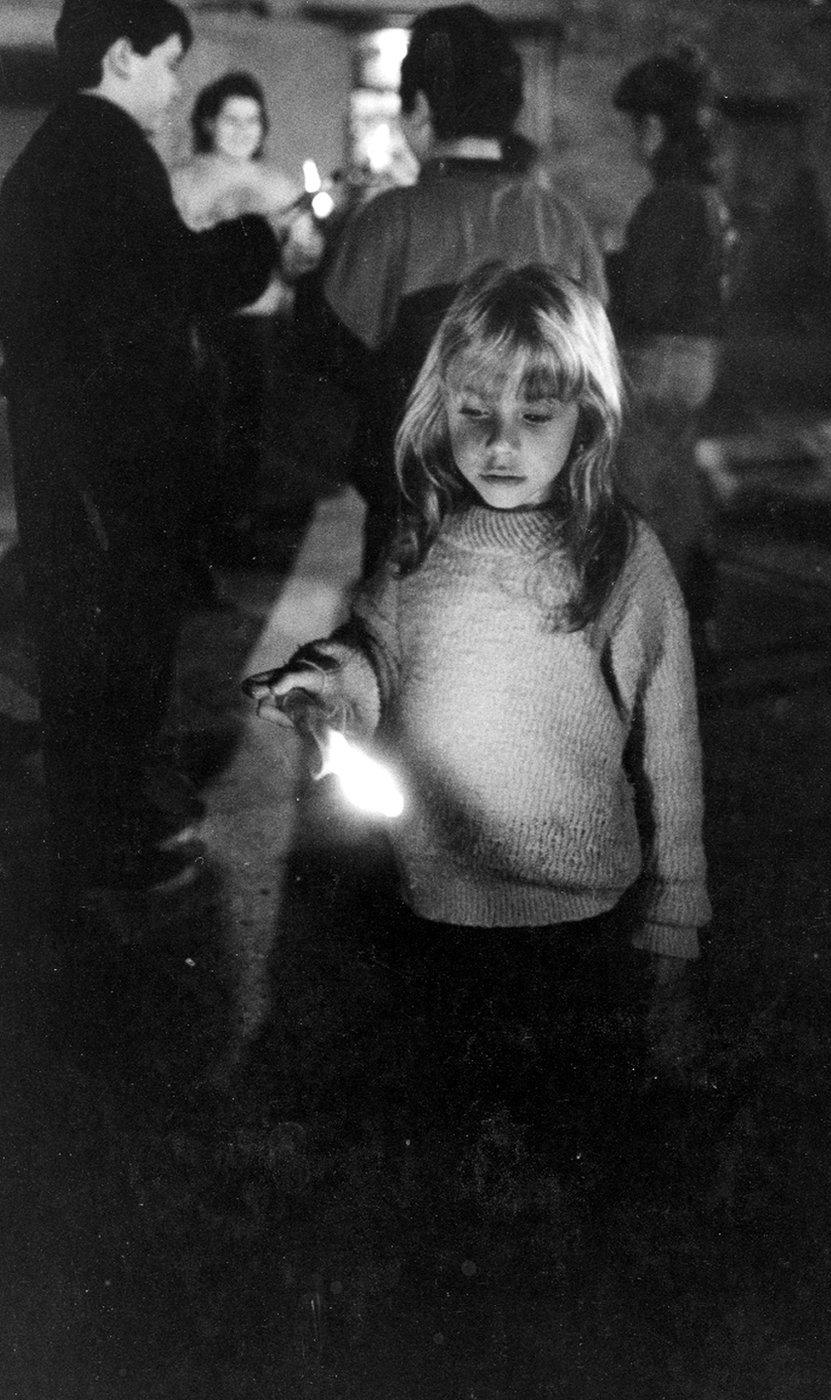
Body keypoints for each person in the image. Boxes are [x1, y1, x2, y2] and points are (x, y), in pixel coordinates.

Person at [245, 265, 711, 1082]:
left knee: (568, 1116)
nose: (501, 444)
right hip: (434, 901)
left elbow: (671, 745)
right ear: (440, 409)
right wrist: (330, 681)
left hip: (580, 916)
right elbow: (379, 657)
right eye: (474, 412)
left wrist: (677, 905)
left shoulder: (621, 559)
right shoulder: (420, 541)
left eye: (535, 415)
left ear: (588, 418)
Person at [0, 0, 279, 910]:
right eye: (167, 64)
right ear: (121, 56)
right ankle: (109, 854)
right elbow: (174, 280)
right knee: (109, 657)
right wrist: (257, 242)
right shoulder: (106, 151)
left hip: (70, 447)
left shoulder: (59, 149)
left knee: (91, 653)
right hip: (105, 459)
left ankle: (112, 833)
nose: (173, 87)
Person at [308, 3, 607, 577]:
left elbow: (334, 359)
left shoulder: (388, 220)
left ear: (418, 110)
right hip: (538, 522)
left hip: (412, 518)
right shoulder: (563, 221)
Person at [608, 46, 735, 657]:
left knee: (633, 492)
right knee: (680, 488)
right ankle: (696, 618)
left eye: (637, 126)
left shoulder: (665, 202)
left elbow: (645, 299)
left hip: (656, 358)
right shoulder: (709, 197)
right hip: (699, 360)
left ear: (654, 129)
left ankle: (644, 635)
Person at [171, 71, 324, 563]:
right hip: (202, 325)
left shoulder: (277, 183)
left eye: (253, 119)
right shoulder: (182, 179)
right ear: (208, 122)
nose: (243, 129)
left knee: (252, 431)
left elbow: (299, 258)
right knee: (200, 431)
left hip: (262, 326)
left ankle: (240, 528)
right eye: (231, 119)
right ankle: (197, 535)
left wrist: (304, 248)